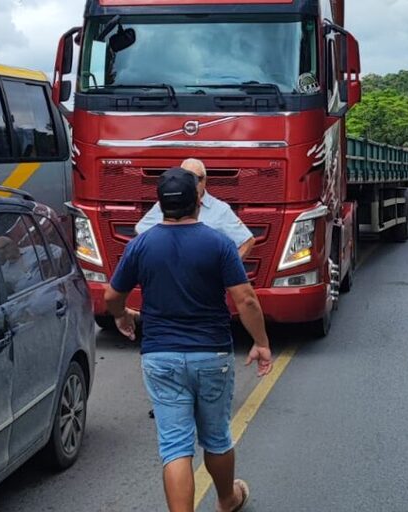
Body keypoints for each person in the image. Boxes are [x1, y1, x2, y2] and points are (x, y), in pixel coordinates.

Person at [106, 168, 273, 512]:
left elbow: (111, 295)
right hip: (211, 355)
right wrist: (261, 342)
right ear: (199, 200)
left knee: (175, 447)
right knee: (216, 437)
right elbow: (246, 300)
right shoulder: (219, 244)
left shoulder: (141, 244)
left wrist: (122, 315)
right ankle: (227, 500)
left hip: (160, 356)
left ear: (160, 203)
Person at [136, 158, 256, 258]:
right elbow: (141, 231)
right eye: (188, 178)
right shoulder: (166, 203)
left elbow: (247, 242)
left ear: (205, 180)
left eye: (198, 178)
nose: (194, 183)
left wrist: (229, 271)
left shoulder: (220, 210)